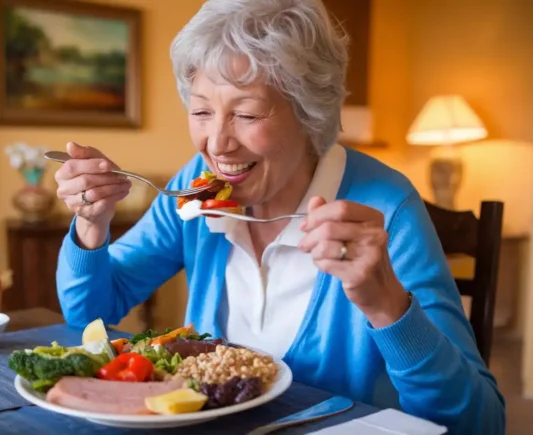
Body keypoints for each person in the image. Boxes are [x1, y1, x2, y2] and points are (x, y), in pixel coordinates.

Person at [53, 1, 505, 433]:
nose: (217, 143)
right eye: (202, 111)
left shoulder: (388, 207)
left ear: (310, 112)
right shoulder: (198, 184)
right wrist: (92, 226)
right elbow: (88, 313)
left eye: (246, 113)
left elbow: (479, 423)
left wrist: (387, 304)